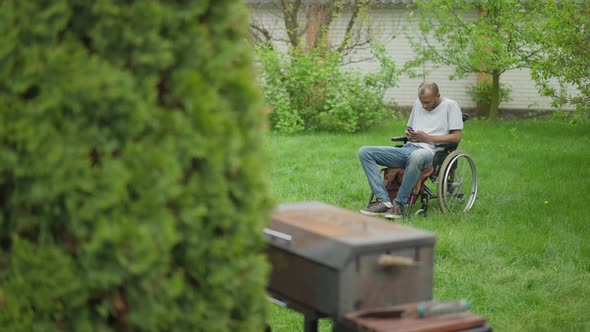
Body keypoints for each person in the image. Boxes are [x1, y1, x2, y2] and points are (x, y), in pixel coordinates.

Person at [358, 81, 464, 219]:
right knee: (365, 152)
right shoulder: (418, 103)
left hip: (431, 153)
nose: (424, 106)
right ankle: (384, 201)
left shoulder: (451, 106)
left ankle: (399, 205)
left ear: (437, 95)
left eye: (427, 102)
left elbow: (456, 137)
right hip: (409, 148)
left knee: (416, 156)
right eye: (422, 102)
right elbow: (410, 128)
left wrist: (427, 138)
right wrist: (409, 134)